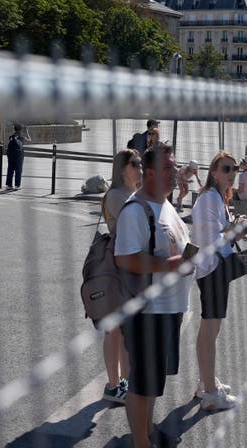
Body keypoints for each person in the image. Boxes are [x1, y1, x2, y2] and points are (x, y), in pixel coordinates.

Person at [114, 141, 192, 448]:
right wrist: (172, 264)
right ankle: (140, 442)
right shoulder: (136, 210)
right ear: (149, 173)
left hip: (168, 309)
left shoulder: (166, 204)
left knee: (153, 382)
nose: (175, 171)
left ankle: (148, 430)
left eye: (174, 165)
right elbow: (125, 258)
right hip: (148, 311)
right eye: (168, 167)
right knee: (142, 384)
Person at [190, 152, 246, 411]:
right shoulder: (210, 198)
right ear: (214, 172)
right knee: (210, 331)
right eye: (226, 168)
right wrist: (233, 228)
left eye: (235, 168)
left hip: (214, 270)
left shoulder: (217, 197)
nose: (232, 172)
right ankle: (210, 392)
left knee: (212, 329)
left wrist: (233, 226)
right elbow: (212, 239)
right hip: (212, 270)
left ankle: (206, 382)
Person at [99, 148, 143, 403]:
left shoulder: (134, 193)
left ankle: (124, 384)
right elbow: (131, 229)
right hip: (116, 270)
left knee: (124, 330)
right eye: (135, 164)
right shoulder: (116, 196)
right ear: (122, 169)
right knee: (114, 329)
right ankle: (115, 385)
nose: (140, 167)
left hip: (131, 269)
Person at [5, 123, 30, 189]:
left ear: (14, 129)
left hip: (10, 155)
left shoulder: (11, 137)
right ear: (21, 130)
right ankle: (17, 185)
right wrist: (27, 131)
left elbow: (11, 138)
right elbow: (29, 139)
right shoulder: (21, 137)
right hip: (18, 156)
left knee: (10, 169)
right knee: (18, 170)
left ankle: (8, 185)